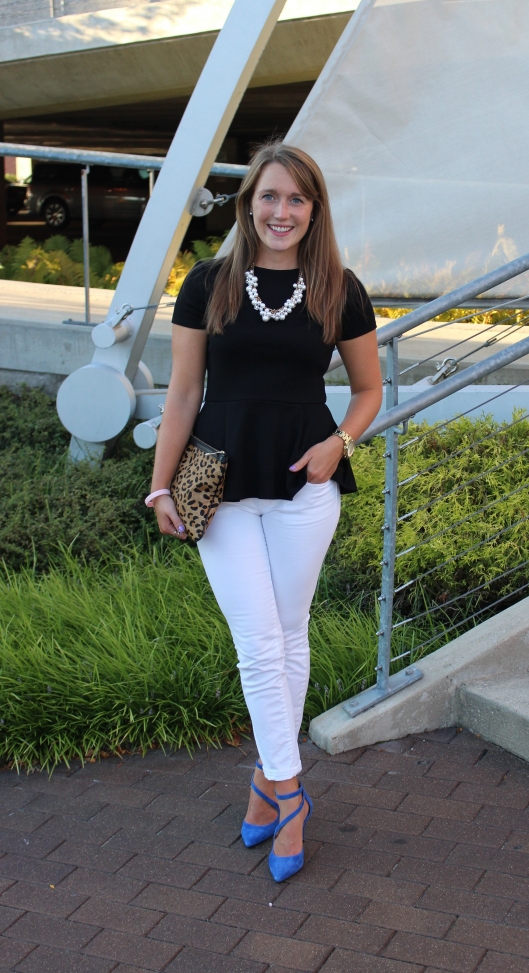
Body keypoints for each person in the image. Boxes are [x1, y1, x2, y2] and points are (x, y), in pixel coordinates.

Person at [147, 142, 382, 882]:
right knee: (258, 642)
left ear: (314, 211)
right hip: (216, 483)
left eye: (297, 200)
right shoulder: (208, 284)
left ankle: (263, 784)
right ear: (249, 204)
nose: (282, 212)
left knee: (288, 632)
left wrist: (337, 446)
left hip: (304, 485)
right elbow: (183, 394)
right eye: (270, 197)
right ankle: (292, 794)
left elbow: (369, 390)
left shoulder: (338, 288)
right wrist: (160, 486)